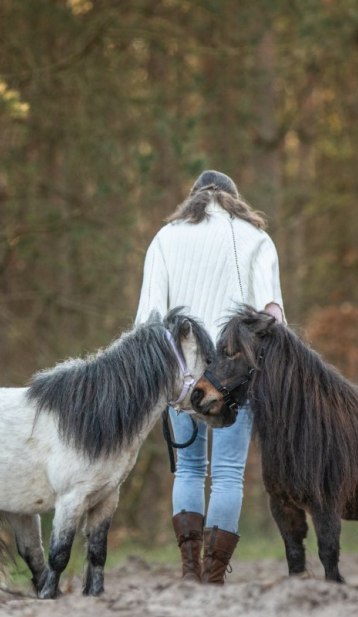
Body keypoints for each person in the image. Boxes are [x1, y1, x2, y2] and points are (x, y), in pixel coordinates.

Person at [135, 170, 284, 584]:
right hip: (235, 376)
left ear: (193, 198)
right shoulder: (256, 239)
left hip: (181, 374)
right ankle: (213, 576)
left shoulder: (166, 238)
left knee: (187, 469)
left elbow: (147, 318)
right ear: (234, 198)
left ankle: (188, 574)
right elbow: (272, 316)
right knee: (228, 472)